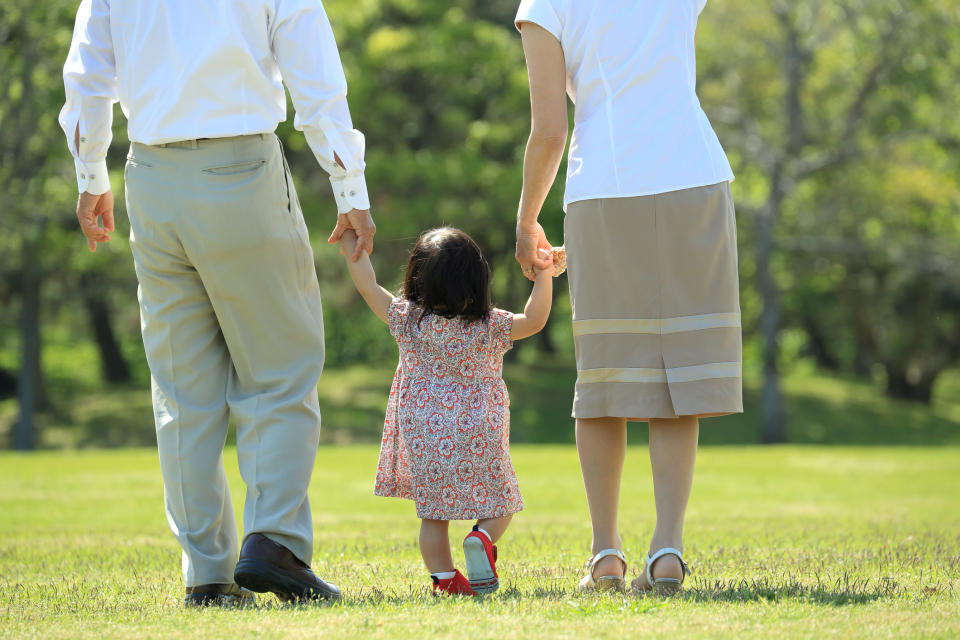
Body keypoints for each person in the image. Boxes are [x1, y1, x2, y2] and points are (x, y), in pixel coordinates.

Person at [60, 0, 375, 606]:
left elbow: (88, 73)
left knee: (183, 391)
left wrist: (91, 176)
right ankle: (274, 544)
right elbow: (314, 71)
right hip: (240, 168)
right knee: (280, 369)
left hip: (149, 176)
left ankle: (207, 572)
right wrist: (348, 186)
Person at [513, 0, 741, 595]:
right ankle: (667, 551)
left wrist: (526, 218)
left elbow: (549, 130)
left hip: (606, 186)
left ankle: (606, 556)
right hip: (694, 179)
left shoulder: (544, 6)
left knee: (604, 380)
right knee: (678, 378)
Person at [337, 227, 554, 595]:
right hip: (479, 427)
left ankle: (444, 578)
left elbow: (368, 286)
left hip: (425, 431)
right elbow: (534, 320)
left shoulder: (406, 319)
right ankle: (482, 536)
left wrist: (350, 243)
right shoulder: (490, 326)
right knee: (502, 499)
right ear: (478, 279)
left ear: (416, 277)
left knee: (433, 516)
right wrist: (545, 272)